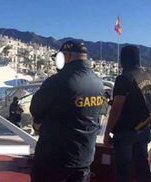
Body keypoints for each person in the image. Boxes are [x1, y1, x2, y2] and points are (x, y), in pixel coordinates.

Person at [30, 40, 105, 182]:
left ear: (68, 56)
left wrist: (37, 124)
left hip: (54, 160)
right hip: (84, 159)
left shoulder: (57, 81)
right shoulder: (98, 83)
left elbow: (36, 109)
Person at [104, 45, 151, 182]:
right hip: (143, 131)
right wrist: (149, 126)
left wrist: (107, 133)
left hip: (125, 133)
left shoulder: (124, 78)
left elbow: (116, 108)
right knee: (142, 167)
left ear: (123, 59)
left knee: (123, 170)